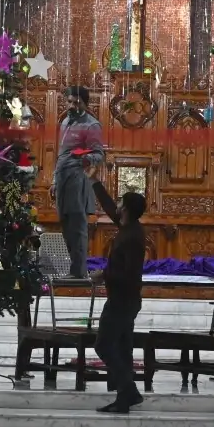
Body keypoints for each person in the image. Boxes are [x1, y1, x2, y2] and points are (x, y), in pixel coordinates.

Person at [90, 177, 146, 413]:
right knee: (122, 348)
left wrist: (103, 275)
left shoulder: (132, 236)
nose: (118, 206)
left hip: (123, 300)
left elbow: (129, 274)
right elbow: (110, 207)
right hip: (124, 299)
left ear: (127, 210)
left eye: (121, 202)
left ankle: (129, 389)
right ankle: (125, 398)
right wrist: (95, 182)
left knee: (103, 345)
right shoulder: (128, 227)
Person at [52, 86, 106, 278]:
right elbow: (60, 155)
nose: (72, 106)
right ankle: (72, 270)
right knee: (65, 224)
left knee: (77, 226)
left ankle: (79, 272)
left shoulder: (92, 125)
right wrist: (54, 181)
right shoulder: (65, 122)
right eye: (70, 101)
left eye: (77, 102)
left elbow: (99, 154)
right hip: (62, 179)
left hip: (77, 179)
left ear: (85, 103)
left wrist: (84, 159)